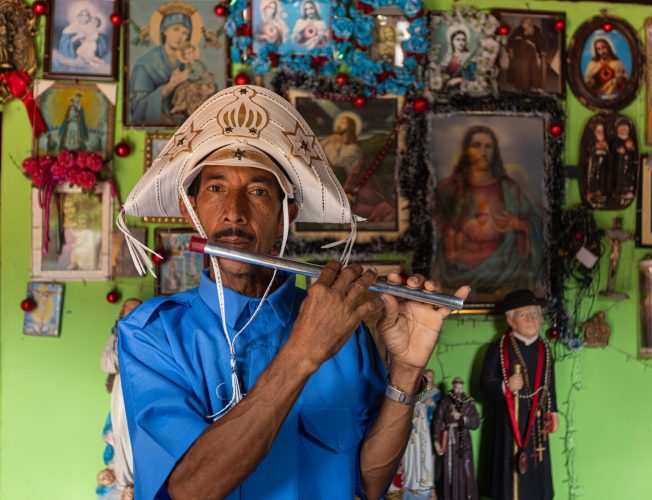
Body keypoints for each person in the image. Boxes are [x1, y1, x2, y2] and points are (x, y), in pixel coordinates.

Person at [116, 85, 470, 499]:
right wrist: (304, 349)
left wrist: (407, 370)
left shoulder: (344, 325)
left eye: (258, 191)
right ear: (189, 210)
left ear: (287, 215)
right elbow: (190, 489)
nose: (234, 211)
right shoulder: (151, 334)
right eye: (215, 188)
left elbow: (371, 481)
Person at [433, 125, 545, 302]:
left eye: (488, 146)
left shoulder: (510, 189)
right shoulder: (449, 189)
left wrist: (518, 223)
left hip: (506, 271)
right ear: (466, 150)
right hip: (456, 272)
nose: (482, 151)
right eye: (476, 145)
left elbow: (537, 222)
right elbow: (432, 228)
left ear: (495, 152)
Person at [480, 290, 558, 500]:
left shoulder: (546, 350)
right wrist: (505, 387)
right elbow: (484, 386)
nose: (532, 319)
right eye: (524, 315)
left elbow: (549, 384)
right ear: (510, 319)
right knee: (509, 481)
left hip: (536, 423)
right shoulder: (497, 349)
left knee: (536, 478)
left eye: (535, 313)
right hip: (508, 423)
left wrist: (553, 413)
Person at [129, 4, 218, 126]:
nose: (180, 37)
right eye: (176, 29)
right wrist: (170, 86)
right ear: (164, 30)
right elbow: (137, 110)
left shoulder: (189, 61)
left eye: (185, 32)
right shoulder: (144, 65)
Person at [98, 299, 142, 499]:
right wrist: (122, 337)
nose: (134, 311)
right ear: (122, 314)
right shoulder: (117, 336)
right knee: (124, 435)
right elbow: (107, 364)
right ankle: (129, 487)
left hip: (146, 389)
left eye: (138, 307)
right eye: (129, 308)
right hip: (123, 395)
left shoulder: (151, 330)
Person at [432, 377, 479, 500]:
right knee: (450, 469)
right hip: (450, 440)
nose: (458, 390)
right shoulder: (445, 402)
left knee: (465, 468)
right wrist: (436, 440)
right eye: (456, 387)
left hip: (464, 440)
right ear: (453, 386)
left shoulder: (468, 402)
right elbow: (438, 421)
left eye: (460, 387)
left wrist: (463, 418)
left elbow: (476, 422)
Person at [506, 19, 547, 92]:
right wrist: (510, 49)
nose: (525, 28)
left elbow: (541, 43)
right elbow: (510, 40)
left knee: (525, 68)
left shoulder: (536, 32)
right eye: (523, 26)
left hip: (529, 54)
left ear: (530, 25)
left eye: (527, 26)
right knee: (518, 68)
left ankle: (526, 87)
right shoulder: (517, 31)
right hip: (517, 54)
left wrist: (542, 51)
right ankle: (518, 86)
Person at [611, 119, 637, 202]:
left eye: (625, 129)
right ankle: (618, 190)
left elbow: (634, 152)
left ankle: (627, 189)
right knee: (618, 178)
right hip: (618, 165)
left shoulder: (630, 141)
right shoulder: (616, 141)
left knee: (628, 177)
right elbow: (613, 150)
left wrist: (631, 148)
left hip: (628, 165)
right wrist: (618, 150)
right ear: (617, 130)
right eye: (621, 129)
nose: (623, 131)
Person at [584, 121, 609, 207]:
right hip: (594, 164)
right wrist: (596, 147)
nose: (600, 133)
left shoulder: (606, 142)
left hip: (603, 165)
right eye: (598, 130)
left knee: (602, 177)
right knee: (594, 176)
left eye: (601, 130)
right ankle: (592, 191)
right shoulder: (592, 142)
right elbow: (588, 150)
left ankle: (600, 191)